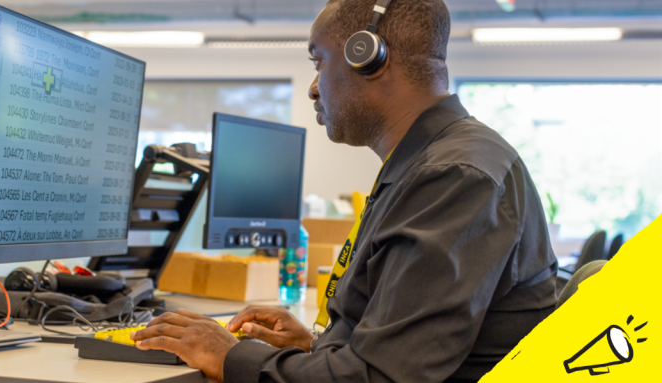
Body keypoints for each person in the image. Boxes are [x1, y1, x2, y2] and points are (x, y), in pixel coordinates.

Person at [130, 0, 558, 382]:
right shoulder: (427, 164)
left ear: (367, 57)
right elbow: (395, 348)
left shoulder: (453, 177)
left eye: (319, 62)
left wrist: (231, 356)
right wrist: (318, 347)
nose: (314, 87)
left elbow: (383, 378)